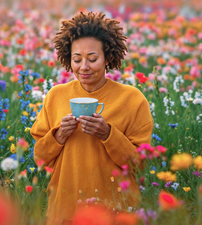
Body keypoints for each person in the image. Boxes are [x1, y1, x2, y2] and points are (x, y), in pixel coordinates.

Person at [30, 11, 153, 225]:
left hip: (116, 210)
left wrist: (108, 134)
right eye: (77, 59)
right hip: (64, 210)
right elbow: (40, 158)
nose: (84, 67)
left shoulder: (132, 99)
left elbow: (140, 165)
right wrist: (59, 135)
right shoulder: (55, 96)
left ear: (108, 58)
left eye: (93, 59)